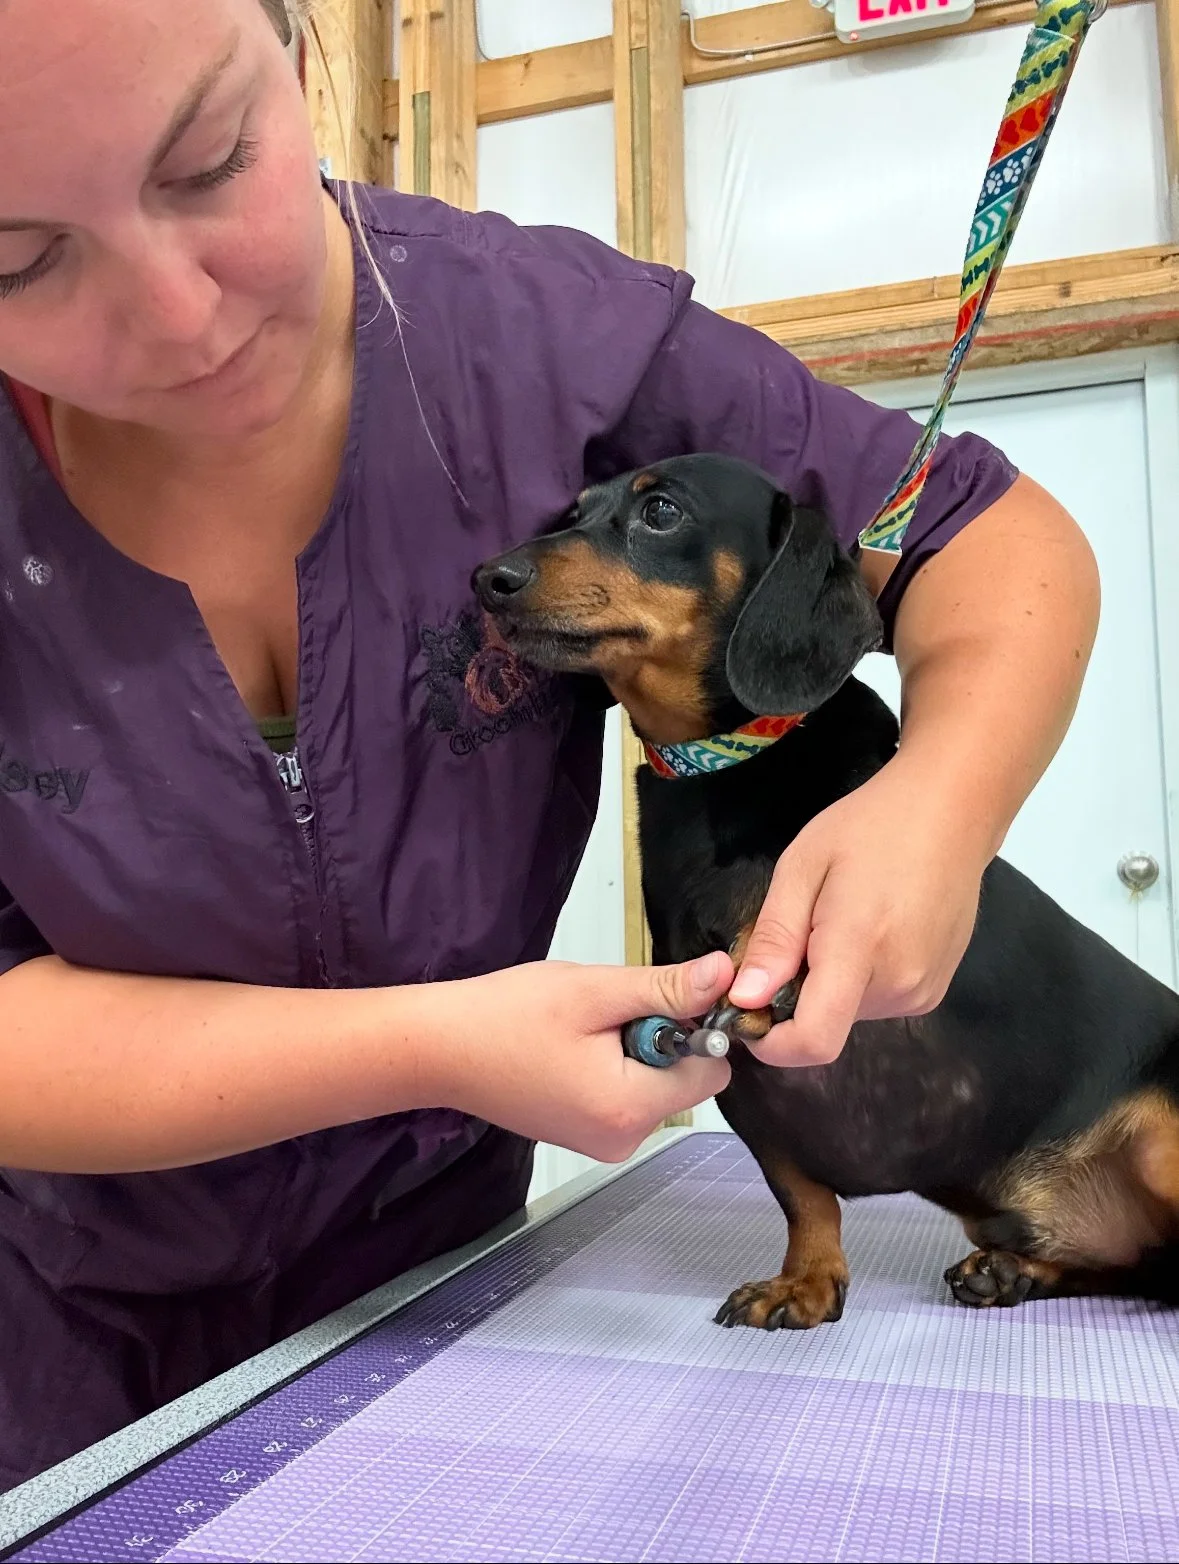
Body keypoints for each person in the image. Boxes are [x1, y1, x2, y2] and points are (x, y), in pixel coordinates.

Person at [0, 0, 1099, 1490]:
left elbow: (981, 533)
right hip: (53, 1312)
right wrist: (435, 1045)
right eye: (16, 256)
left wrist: (941, 804)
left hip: (438, 1290)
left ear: (304, 58)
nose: (178, 313)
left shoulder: (543, 340)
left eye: (209, 159)